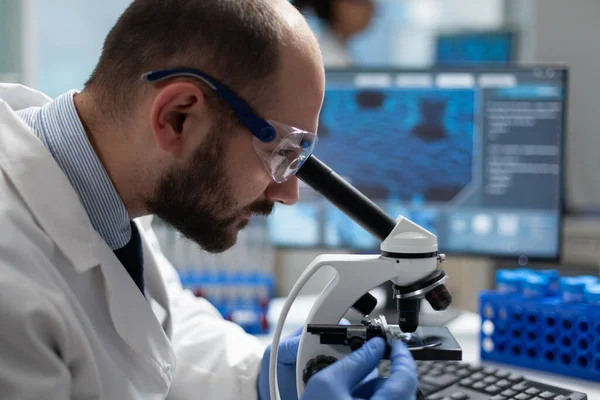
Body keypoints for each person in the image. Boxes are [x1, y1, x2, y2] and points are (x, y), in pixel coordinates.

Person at [0, 0, 417, 399]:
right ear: (177, 117)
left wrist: (261, 377)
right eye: (279, 154)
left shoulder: (104, 186)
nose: (288, 194)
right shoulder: (13, 294)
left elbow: (162, 327)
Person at [293, 0, 375, 67]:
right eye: (362, 1)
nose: (372, 8)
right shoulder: (328, 60)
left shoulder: (339, 54)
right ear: (340, 5)